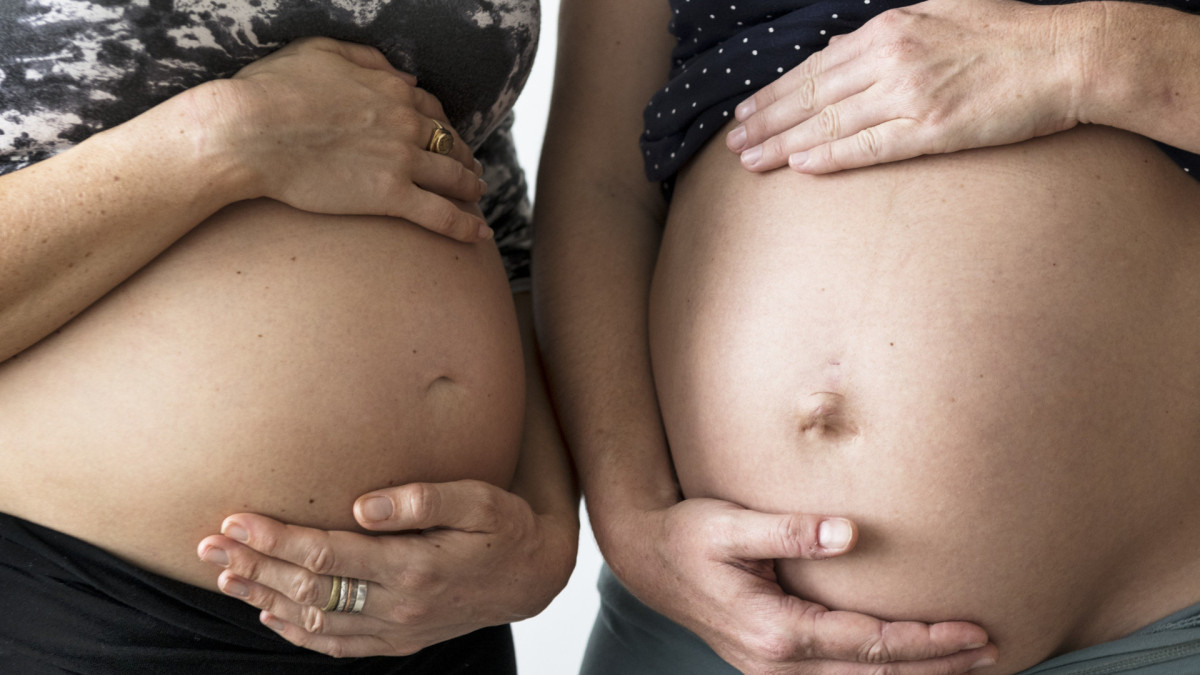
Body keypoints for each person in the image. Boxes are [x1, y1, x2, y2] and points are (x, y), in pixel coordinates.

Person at [533, 0, 1200, 673]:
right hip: (712, 620)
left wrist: (1088, 56)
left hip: (1151, 619)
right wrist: (636, 528)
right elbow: (603, 185)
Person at [0, 2, 577, 673]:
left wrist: (544, 532)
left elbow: (488, 203)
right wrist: (225, 134)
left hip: (445, 606)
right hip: (97, 606)